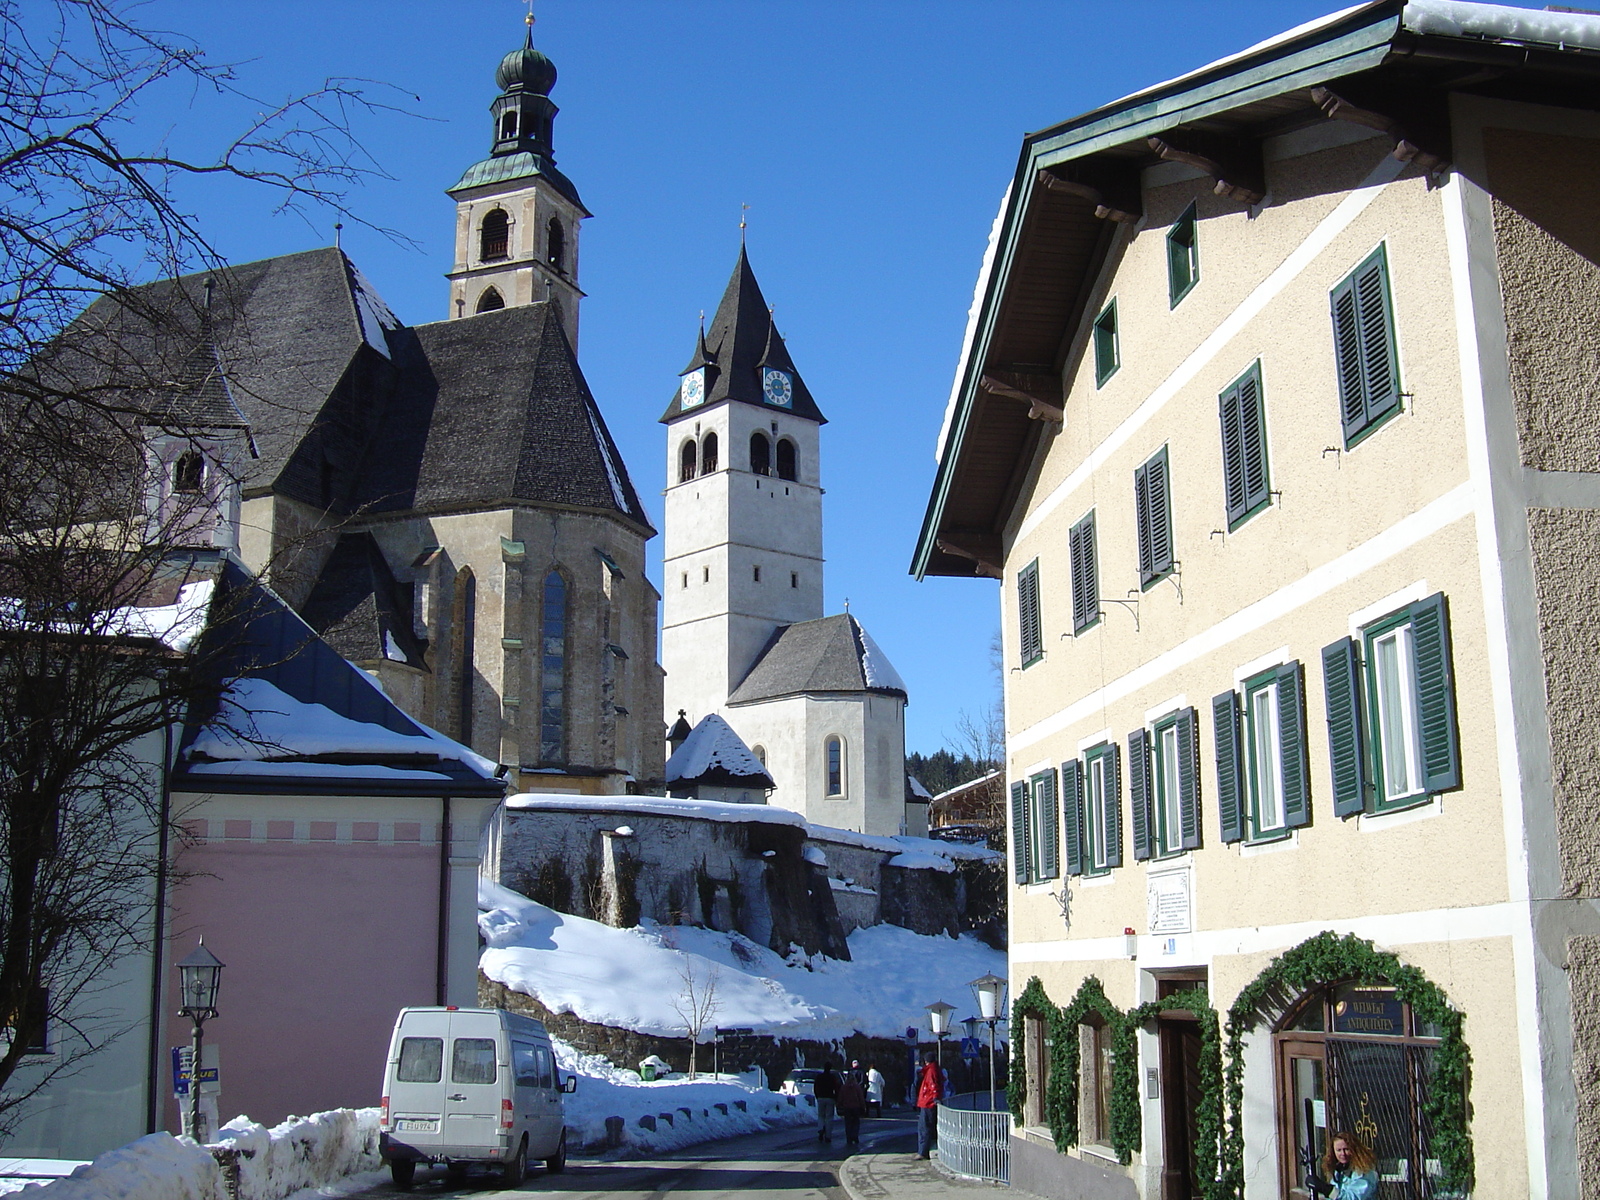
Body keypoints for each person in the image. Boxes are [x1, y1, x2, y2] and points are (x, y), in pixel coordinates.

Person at [1318, 1131, 1379, 1199]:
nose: (1343, 1154)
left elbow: (1352, 1197)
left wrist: (1327, 1190)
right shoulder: (1339, 1171)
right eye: (1339, 1150)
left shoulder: (1364, 1171)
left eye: (1346, 1149)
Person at [914, 1052, 943, 1159]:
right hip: (928, 1102)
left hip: (927, 1103)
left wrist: (934, 1097)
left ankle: (922, 1152)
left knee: (924, 1128)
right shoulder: (933, 1070)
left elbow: (933, 1085)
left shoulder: (930, 1071)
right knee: (927, 1127)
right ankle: (924, 1150)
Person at [837, 1068, 867, 1146]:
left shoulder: (844, 1087)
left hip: (847, 1107)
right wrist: (863, 1106)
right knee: (856, 1122)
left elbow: (841, 1097)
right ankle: (855, 1136)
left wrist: (839, 1105)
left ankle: (849, 1137)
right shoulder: (857, 1087)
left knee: (848, 1123)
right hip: (856, 1107)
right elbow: (860, 1097)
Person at [815, 1062, 840, 1144]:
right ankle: (828, 1136)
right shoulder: (832, 1077)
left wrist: (817, 1096)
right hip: (830, 1098)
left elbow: (815, 1087)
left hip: (821, 1097)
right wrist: (836, 1097)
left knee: (821, 1115)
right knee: (829, 1117)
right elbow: (836, 1088)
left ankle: (820, 1128)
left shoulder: (819, 1077)